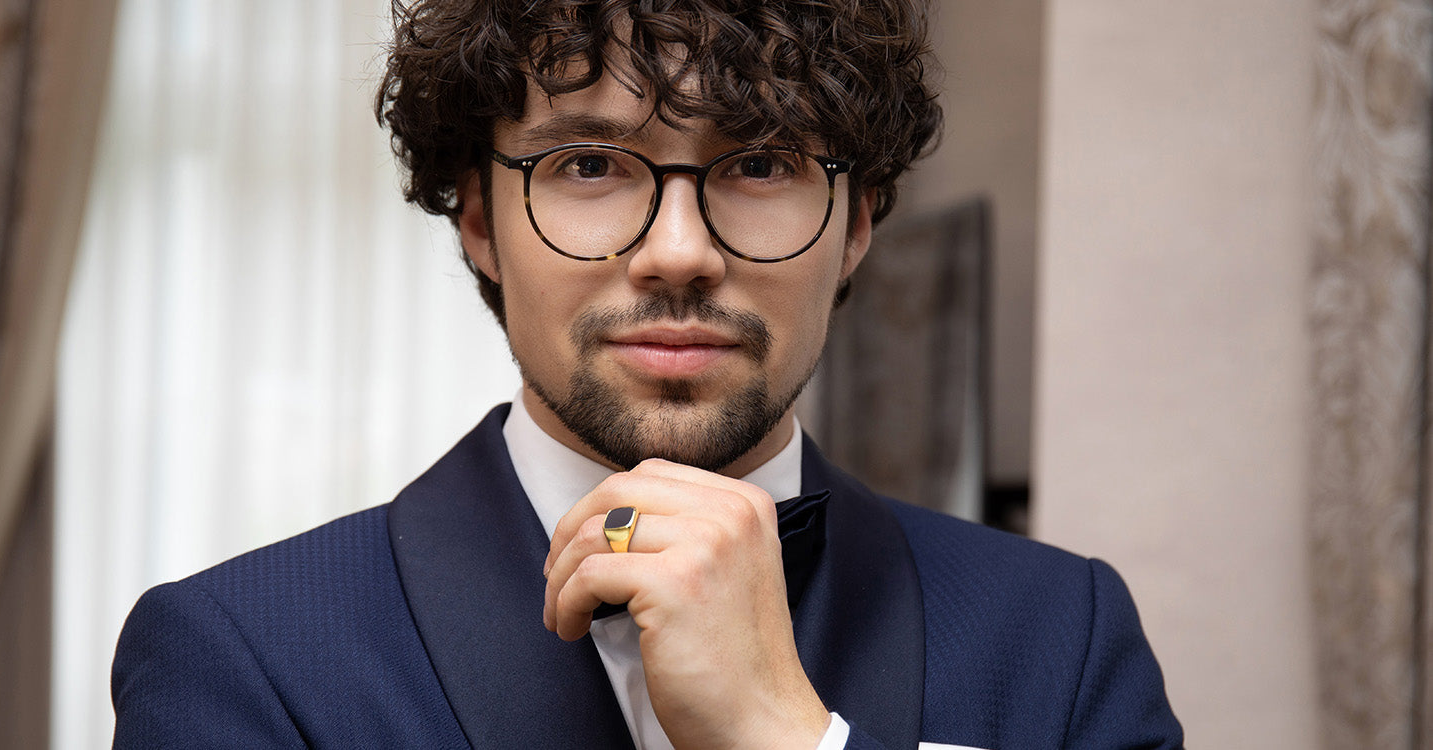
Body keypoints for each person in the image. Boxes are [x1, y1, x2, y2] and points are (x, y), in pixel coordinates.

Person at [111, 0, 1184, 747]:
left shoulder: (1062, 637)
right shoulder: (242, 656)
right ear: (479, 221)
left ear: (859, 224)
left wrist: (792, 743)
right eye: (588, 164)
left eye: (762, 160)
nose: (679, 250)